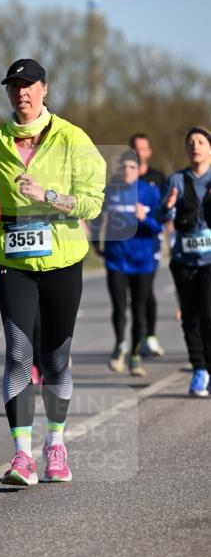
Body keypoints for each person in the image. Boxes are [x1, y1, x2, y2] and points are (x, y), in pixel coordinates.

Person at [0, 58, 106, 485]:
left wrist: (48, 196)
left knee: (56, 360)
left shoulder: (73, 138)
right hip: (12, 261)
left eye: (29, 86)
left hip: (63, 258)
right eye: (14, 87)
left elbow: (91, 203)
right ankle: (21, 456)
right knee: (18, 355)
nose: (21, 93)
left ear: (44, 89)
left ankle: (56, 444)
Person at [91, 149, 162, 377]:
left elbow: (160, 226)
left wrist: (145, 218)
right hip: (116, 259)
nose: (128, 171)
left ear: (139, 169)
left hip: (142, 260)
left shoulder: (150, 192)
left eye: (133, 167)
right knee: (119, 307)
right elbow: (97, 217)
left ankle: (135, 355)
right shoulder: (110, 192)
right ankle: (119, 345)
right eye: (124, 167)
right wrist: (96, 242)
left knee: (138, 309)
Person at [156, 126, 211, 397]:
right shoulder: (176, 180)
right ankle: (199, 368)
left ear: (209, 147)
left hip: (210, 259)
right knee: (189, 316)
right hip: (184, 258)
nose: (195, 146)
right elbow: (159, 216)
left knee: (208, 314)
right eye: (190, 142)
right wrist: (167, 206)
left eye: (200, 141)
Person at [129, 132, 167, 357]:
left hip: (151, 239)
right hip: (128, 243)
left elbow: (165, 209)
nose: (138, 152)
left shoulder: (158, 177)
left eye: (142, 148)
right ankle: (138, 335)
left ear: (149, 152)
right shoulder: (121, 177)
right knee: (132, 293)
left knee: (145, 290)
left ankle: (149, 336)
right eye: (134, 148)